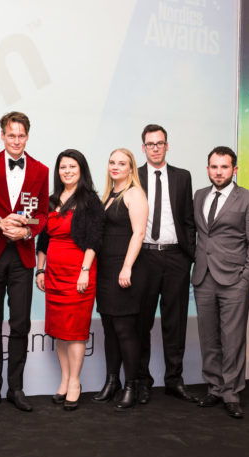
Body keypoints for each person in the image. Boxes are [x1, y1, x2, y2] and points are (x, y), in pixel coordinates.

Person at [0, 111, 49, 413]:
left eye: (21, 135)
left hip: (22, 258)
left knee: (20, 324)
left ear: (27, 136)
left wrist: (27, 230)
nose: (16, 140)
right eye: (11, 135)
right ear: (2, 135)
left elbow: (42, 216)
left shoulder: (41, 170)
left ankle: (16, 388)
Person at [192, 146, 249, 419]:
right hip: (203, 278)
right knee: (209, 338)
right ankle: (214, 388)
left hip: (234, 280)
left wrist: (247, 276)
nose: (218, 172)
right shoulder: (199, 195)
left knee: (232, 340)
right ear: (208, 169)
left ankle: (231, 393)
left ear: (234, 169)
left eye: (224, 167)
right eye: (214, 167)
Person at [36, 149, 103, 411]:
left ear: (81, 170)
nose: (67, 171)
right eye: (63, 167)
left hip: (78, 273)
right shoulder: (51, 200)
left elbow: (94, 238)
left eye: (72, 167)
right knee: (60, 332)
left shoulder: (90, 200)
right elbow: (43, 238)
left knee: (75, 333)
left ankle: (75, 382)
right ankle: (64, 380)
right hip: (54, 274)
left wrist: (85, 270)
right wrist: (40, 270)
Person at [136, 124, 197, 405]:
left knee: (176, 323)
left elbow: (188, 219)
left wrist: (189, 255)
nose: (155, 148)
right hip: (144, 258)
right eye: (150, 144)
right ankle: (142, 381)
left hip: (176, 259)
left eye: (160, 143)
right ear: (143, 148)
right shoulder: (134, 176)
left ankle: (174, 380)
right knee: (142, 323)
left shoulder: (183, 177)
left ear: (167, 145)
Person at [93, 148, 148, 410]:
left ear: (131, 168)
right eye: (112, 162)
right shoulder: (108, 196)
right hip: (105, 270)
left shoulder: (134, 193)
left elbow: (139, 234)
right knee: (109, 330)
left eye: (122, 163)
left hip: (124, 269)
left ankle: (131, 386)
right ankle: (112, 381)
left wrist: (127, 267)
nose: (115, 166)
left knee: (125, 331)